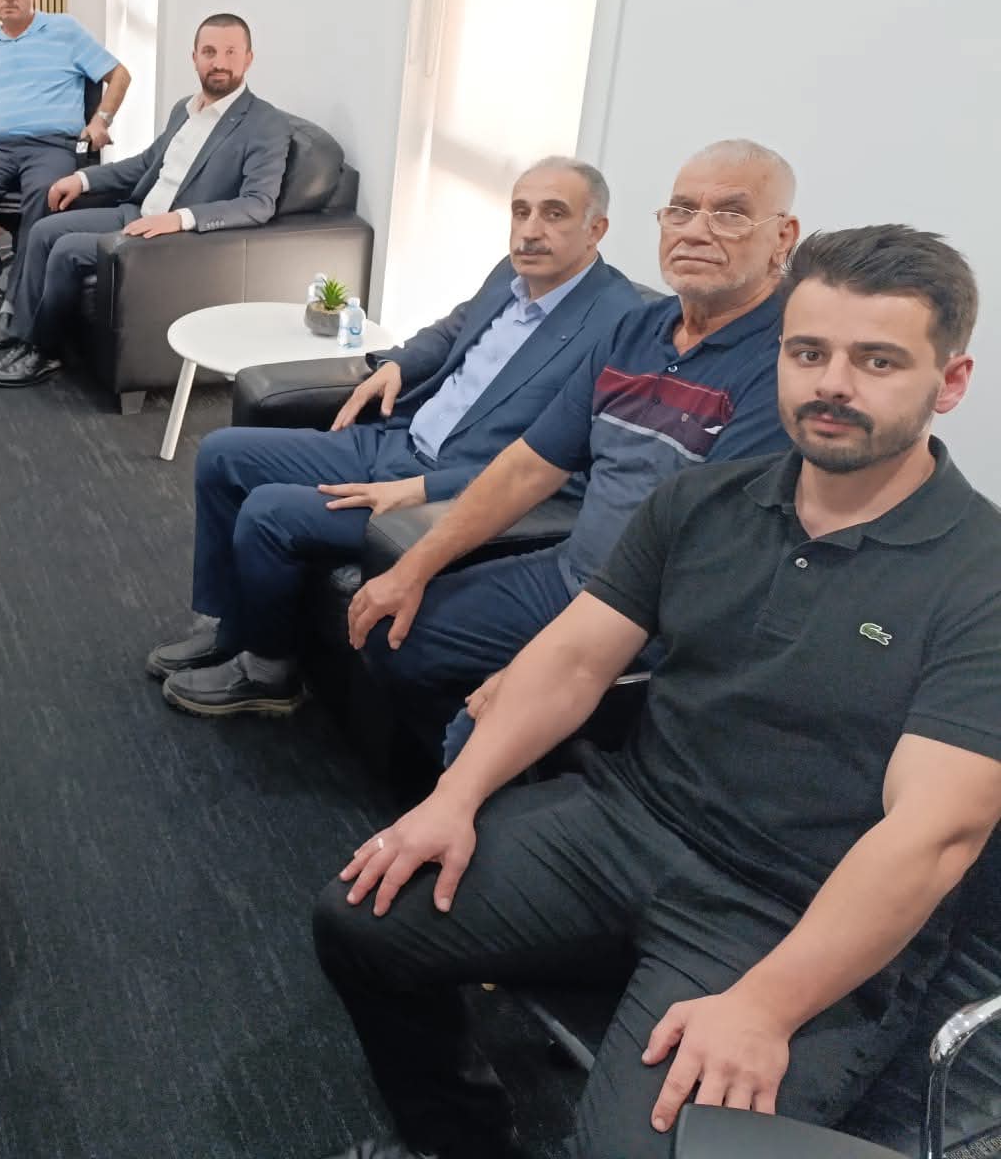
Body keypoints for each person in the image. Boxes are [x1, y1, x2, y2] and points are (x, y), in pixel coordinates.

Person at [315, 224, 1001, 1159]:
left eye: (877, 361)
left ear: (949, 382)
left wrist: (766, 1006)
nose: (833, 384)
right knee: (361, 918)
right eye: (809, 352)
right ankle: (460, 1140)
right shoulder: (699, 504)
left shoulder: (981, 577)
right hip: (627, 827)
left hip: (792, 912)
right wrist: (454, 797)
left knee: (641, 1151)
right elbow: (573, 660)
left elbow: (934, 835)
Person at [312, 139, 800, 753]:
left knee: (485, 727)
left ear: (783, 237)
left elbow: (703, 557)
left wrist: (539, 663)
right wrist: (411, 569)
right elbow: (527, 468)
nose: (696, 231)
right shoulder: (635, 331)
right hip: (569, 574)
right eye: (681, 210)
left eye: (730, 214)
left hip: (655, 622)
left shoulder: (784, 365)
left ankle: (495, 777)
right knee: (394, 636)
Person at [153, 157, 643, 715]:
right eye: (521, 211)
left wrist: (422, 490)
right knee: (221, 454)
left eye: (554, 214)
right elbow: (454, 329)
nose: (530, 230)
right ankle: (228, 624)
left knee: (268, 512)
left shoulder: (618, 325)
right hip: (397, 439)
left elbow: (574, 472)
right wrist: (398, 365)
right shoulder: (512, 274)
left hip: (444, 491)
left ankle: (268, 672)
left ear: (595, 228)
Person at [0, 13, 291, 386]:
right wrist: (82, 179)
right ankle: (25, 338)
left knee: (66, 249)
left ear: (249, 58)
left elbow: (258, 203)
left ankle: (44, 352)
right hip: (137, 213)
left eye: (230, 52)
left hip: (173, 236)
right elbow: (146, 164)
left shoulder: (265, 123)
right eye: (209, 52)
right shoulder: (185, 109)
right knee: (44, 230)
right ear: (194, 57)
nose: (219, 62)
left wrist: (180, 219)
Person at [0, 0, 131, 325]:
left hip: (52, 145)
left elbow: (120, 75)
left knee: (44, 193)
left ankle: (18, 295)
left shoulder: (64, 30)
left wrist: (101, 120)